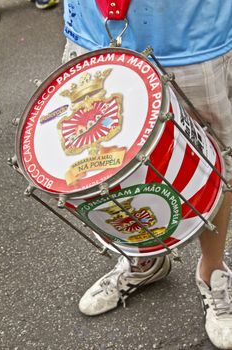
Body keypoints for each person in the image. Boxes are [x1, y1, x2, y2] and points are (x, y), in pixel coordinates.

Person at [62, 1, 232, 349]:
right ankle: (145, 259)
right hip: (94, 32)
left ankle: (213, 271)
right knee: (106, 163)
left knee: (212, 159)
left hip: (193, 35)